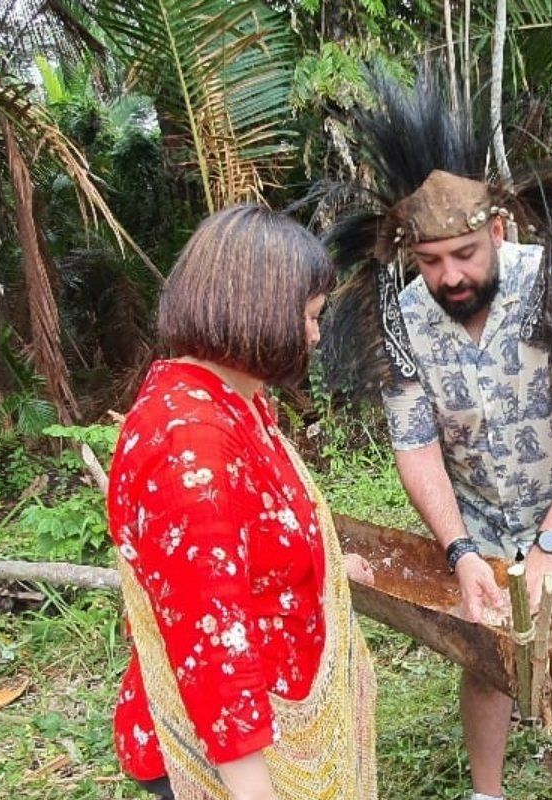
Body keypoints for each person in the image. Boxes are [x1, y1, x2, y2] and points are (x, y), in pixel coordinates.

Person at [325, 73, 552, 800]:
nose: (449, 276)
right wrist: (460, 551)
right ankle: (486, 793)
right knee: (486, 656)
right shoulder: (400, 317)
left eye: (464, 255)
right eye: (429, 263)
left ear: (497, 231)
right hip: (480, 511)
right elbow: (415, 443)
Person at [108, 205, 377, 800]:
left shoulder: (231, 400)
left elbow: (254, 543)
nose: (314, 334)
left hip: (272, 721)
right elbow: (214, 648)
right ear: (258, 312)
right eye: (309, 317)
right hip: (232, 759)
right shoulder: (191, 444)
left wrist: (326, 569)